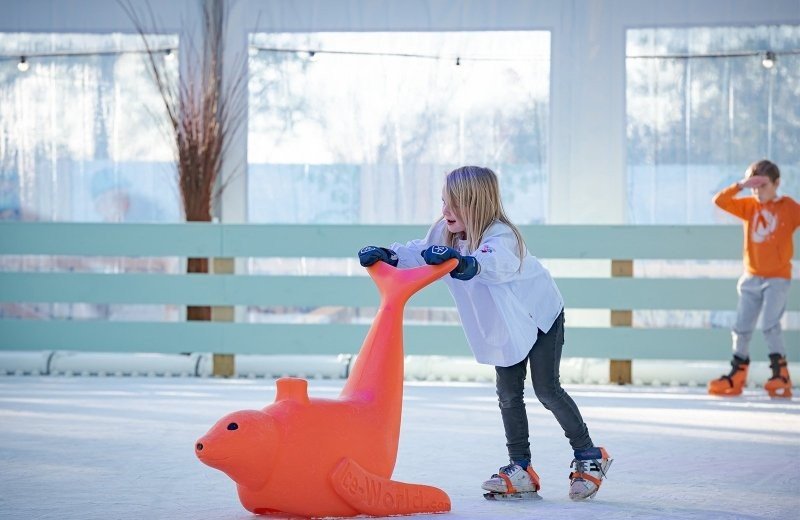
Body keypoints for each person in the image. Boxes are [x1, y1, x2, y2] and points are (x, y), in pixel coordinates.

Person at [357, 165, 611, 501]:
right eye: (444, 202)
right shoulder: (445, 231)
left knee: (546, 389)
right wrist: (388, 255)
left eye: (454, 204)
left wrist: (465, 264)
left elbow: (493, 263)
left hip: (539, 316)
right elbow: (419, 252)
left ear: (475, 204)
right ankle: (520, 468)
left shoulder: (501, 235)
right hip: (505, 326)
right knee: (508, 394)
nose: (445, 211)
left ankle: (589, 455)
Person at [708, 160, 799, 398]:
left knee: (770, 325)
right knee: (741, 327)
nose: (757, 191)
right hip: (751, 278)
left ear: (777, 183)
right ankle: (737, 374)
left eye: (763, 185)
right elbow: (720, 201)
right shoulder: (749, 206)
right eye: (753, 186)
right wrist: (740, 185)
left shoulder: (788, 207)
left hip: (777, 278)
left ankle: (781, 375)